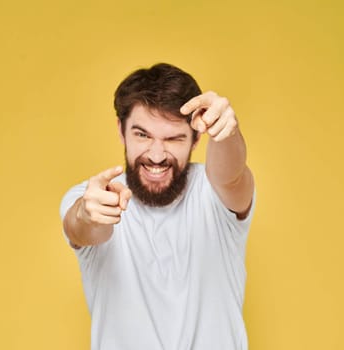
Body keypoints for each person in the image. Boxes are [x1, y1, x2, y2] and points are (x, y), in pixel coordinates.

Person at [60, 63, 256, 350]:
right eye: (142, 135)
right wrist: (87, 215)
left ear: (196, 138)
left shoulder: (213, 192)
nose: (156, 155)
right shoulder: (93, 196)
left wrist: (226, 132)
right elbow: (84, 229)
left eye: (174, 138)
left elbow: (232, 176)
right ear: (121, 130)